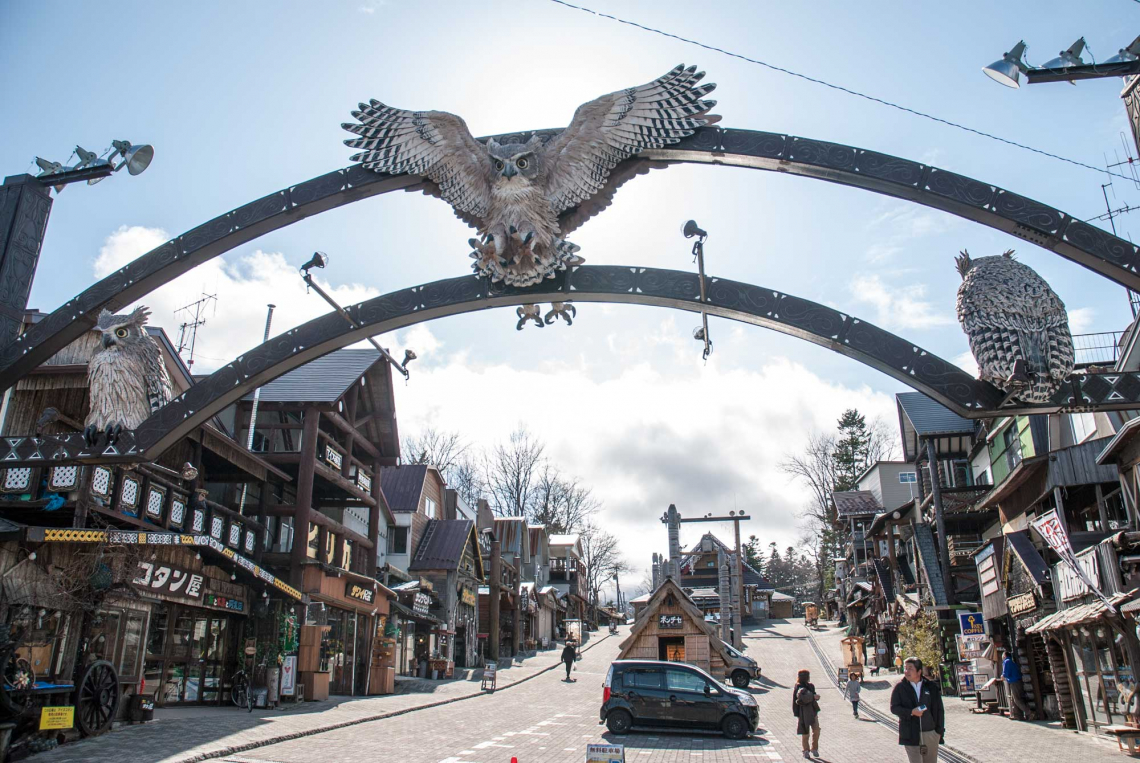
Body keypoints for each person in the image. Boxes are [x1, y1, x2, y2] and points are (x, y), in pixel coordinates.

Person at [890, 657, 945, 763]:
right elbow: (894, 708)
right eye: (905, 668)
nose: (906, 671)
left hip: (930, 733)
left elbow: (939, 710)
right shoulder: (900, 688)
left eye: (910, 668)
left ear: (919, 671)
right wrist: (911, 712)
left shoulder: (931, 687)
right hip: (910, 733)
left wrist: (938, 732)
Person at [792, 669, 821, 759]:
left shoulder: (811, 686)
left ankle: (814, 748)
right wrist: (796, 713)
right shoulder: (798, 686)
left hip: (813, 711)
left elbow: (813, 695)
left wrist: (815, 697)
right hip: (803, 712)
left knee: (816, 730)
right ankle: (805, 750)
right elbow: (798, 699)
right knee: (805, 732)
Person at [1002, 651, 1032, 721]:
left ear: (1005, 655)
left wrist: (1002, 676)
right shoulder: (1011, 661)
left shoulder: (1007, 661)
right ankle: (1018, 715)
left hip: (1015, 681)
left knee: (1017, 699)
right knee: (1014, 699)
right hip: (1016, 681)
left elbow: (1006, 673)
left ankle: (1029, 712)